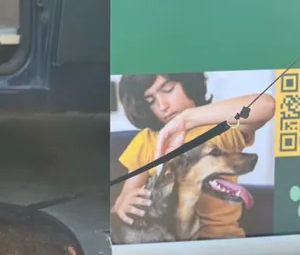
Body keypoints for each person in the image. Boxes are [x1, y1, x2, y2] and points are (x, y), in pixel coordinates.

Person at [112, 73, 274, 241]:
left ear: (188, 83)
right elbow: (126, 199)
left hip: (223, 241)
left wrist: (187, 119)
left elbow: (266, 106)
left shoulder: (219, 130)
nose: (162, 106)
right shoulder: (146, 141)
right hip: (167, 245)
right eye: (150, 100)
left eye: (168, 89)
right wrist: (122, 205)